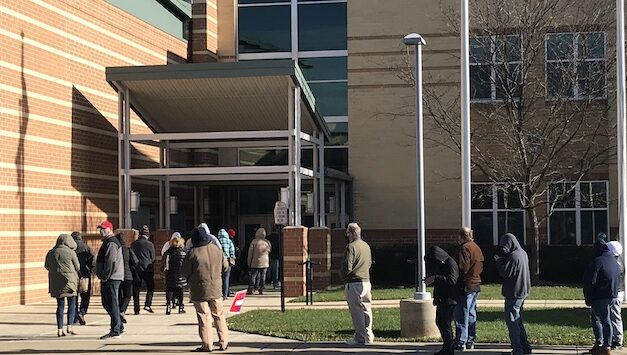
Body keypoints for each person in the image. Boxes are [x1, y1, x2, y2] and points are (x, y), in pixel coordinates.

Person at [182, 227, 229, 352]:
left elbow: (185, 271)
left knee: (204, 316)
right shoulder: (217, 250)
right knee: (219, 315)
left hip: (199, 289)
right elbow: (225, 266)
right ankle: (224, 342)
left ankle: (207, 344)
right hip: (216, 288)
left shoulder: (192, 253)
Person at [495, 233, 531, 355]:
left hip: (514, 293)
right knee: (518, 320)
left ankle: (517, 349)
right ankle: (525, 347)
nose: (504, 248)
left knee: (512, 321)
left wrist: (499, 262)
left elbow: (505, 273)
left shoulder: (514, 256)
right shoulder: (523, 253)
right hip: (522, 291)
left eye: (505, 245)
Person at [584, 236, 620, 355]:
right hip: (613, 295)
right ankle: (603, 344)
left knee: (602, 321)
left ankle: (604, 345)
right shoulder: (613, 261)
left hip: (600, 297)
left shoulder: (597, 262)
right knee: (603, 319)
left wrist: (588, 297)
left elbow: (590, 281)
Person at [342, 222, 374, 346]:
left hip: (354, 283)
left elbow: (347, 267)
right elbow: (369, 263)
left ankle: (360, 338)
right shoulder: (366, 246)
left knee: (356, 311)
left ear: (350, 233)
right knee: (366, 308)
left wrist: (343, 277)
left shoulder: (351, 247)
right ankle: (369, 335)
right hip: (366, 281)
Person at [453, 227, 484, 351]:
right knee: (471, 314)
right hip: (476, 284)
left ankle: (461, 342)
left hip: (466, 285)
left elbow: (462, 267)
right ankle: (470, 340)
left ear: (462, 237)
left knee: (462, 314)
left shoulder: (464, 248)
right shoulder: (476, 247)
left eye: (458, 236)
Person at [424, 246, 459, 355]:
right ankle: (447, 346)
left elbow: (452, 280)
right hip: (442, 299)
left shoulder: (450, 263)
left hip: (449, 299)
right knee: (440, 322)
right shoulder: (442, 264)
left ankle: (449, 348)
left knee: (445, 324)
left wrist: (435, 278)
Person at [45, 233, 80, 337]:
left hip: (56, 282)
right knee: (72, 304)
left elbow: (47, 266)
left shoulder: (51, 252)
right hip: (70, 282)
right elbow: (77, 267)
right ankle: (70, 326)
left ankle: (60, 329)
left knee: (60, 305)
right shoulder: (71, 252)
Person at [95, 220, 124, 340]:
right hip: (110, 277)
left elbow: (110, 262)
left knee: (111, 303)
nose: (101, 231)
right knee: (107, 303)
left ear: (110, 230)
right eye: (100, 229)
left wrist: (105, 276)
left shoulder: (111, 243)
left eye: (103, 229)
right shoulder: (107, 242)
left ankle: (115, 329)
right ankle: (119, 325)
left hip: (112, 277)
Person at [70, 231, 95, 326]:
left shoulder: (70, 248)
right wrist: (91, 269)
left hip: (72, 275)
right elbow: (93, 258)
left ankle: (74, 316)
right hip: (84, 274)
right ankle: (82, 312)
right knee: (85, 295)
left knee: (73, 296)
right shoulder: (86, 247)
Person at [131, 225, 155, 314]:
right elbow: (153, 257)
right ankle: (147, 304)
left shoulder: (134, 244)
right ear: (147, 235)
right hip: (147, 268)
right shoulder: (150, 244)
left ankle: (136, 309)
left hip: (136, 268)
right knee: (150, 287)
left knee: (136, 288)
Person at [117, 233, 138, 324]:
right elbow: (135, 261)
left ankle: (119, 312)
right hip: (127, 275)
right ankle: (122, 311)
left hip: (117, 275)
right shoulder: (128, 250)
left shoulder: (116, 250)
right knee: (128, 295)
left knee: (119, 295)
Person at [163, 234, 187, 314]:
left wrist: (165, 270)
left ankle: (168, 306)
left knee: (169, 289)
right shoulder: (184, 251)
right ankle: (180, 306)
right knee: (180, 290)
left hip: (171, 273)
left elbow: (165, 261)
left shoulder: (169, 251)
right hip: (181, 274)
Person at [608, 241, 625, 350]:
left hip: (616, 292)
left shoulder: (615, 263)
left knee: (615, 315)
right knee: (613, 315)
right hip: (618, 291)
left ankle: (618, 340)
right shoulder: (619, 260)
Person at [247, 228, 271, 295]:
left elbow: (250, 253)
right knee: (263, 276)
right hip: (265, 262)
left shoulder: (254, 242)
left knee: (253, 276)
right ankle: (261, 289)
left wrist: (249, 262)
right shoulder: (267, 242)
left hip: (255, 262)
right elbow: (269, 250)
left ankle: (251, 288)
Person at [217, 229, 235, 300]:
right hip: (227, 260)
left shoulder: (217, 241)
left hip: (219, 260)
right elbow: (232, 250)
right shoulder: (229, 241)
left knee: (219, 277)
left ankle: (220, 293)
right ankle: (226, 294)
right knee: (226, 277)